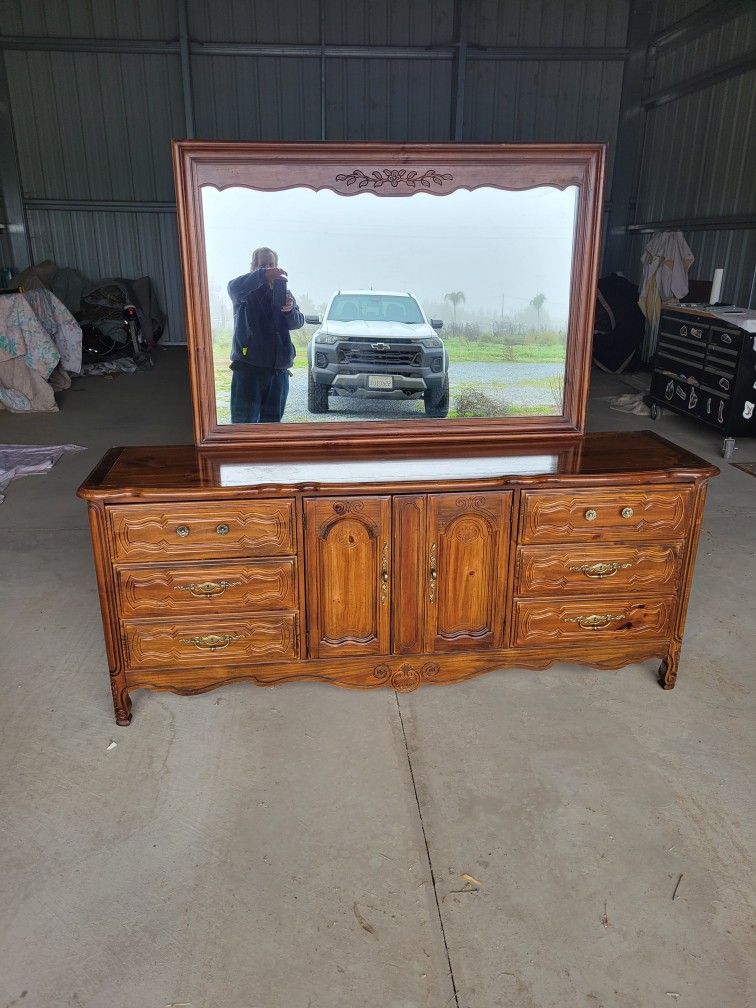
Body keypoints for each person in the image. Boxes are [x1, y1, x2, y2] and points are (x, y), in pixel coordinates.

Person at [228, 247, 304, 423]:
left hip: (278, 374)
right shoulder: (242, 291)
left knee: (272, 430)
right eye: (263, 265)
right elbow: (232, 286)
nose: (268, 269)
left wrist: (290, 310)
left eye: (271, 265)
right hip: (248, 372)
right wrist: (263, 275)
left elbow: (298, 322)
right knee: (243, 429)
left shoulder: (284, 292)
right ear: (253, 267)